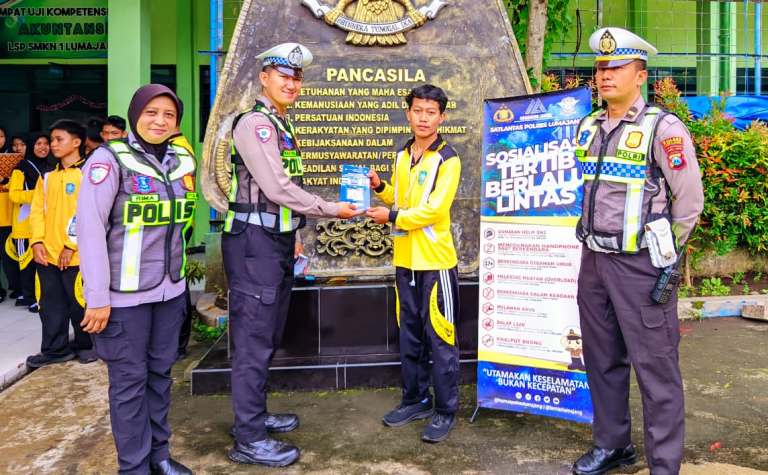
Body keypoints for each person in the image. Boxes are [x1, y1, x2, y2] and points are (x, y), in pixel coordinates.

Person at [571, 27, 704, 475]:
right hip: (594, 263)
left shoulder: (662, 129)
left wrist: (667, 257)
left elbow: (689, 203)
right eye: (600, 68)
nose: (605, 75)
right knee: (602, 360)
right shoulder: (589, 126)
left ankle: (664, 465)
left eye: (616, 67)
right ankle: (613, 446)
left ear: (640, 75)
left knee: (656, 371)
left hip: (642, 267)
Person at [222, 42, 360, 467]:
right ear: (264, 77)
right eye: (283, 74)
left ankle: (255, 417)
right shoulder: (256, 125)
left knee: (267, 333)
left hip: (275, 242)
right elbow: (277, 188)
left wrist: (296, 233)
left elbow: (278, 200)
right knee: (253, 339)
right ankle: (248, 437)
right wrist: (331, 209)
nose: (291, 82)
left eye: (297, 76)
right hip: (252, 247)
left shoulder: (280, 125)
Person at [77, 84, 195, 475]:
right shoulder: (108, 160)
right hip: (122, 298)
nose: (160, 121)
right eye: (151, 113)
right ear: (135, 115)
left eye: (169, 115)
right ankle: (134, 467)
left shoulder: (179, 161)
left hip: (170, 291)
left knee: (161, 377)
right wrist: (97, 297)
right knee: (129, 384)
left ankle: (159, 456)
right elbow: (91, 230)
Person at [365, 84, 461, 443]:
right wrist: (380, 187)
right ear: (408, 113)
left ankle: (445, 409)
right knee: (411, 337)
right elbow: (403, 199)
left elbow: (434, 209)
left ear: (441, 117)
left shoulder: (448, 158)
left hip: (436, 263)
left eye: (430, 112)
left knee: (441, 339)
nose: (423, 117)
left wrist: (390, 215)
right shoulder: (404, 154)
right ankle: (416, 399)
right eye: (417, 110)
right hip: (405, 260)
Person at [26, 121, 94, 368]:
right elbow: (36, 213)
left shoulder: (89, 174)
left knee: (81, 304)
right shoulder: (47, 177)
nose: (53, 144)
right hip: (48, 256)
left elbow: (87, 213)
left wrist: (71, 245)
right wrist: (36, 243)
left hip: (77, 256)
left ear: (77, 142)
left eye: (58, 139)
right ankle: (55, 349)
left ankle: (87, 345)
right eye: (51, 140)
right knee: (50, 305)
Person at [9, 133, 53, 312]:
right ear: (30, 146)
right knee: (27, 266)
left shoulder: (53, 167)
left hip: (45, 225)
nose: (43, 147)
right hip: (24, 226)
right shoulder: (21, 168)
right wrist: (39, 194)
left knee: (43, 265)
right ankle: (30, 297)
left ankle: (40, 296)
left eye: (46, 143)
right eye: (38, 143)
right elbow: (14, 194)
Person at [0, 125, 16, 302]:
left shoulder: (15, 159)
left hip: (7, 215)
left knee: (9, 256)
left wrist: (5, 180)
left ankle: (15, 286)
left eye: (2, 136)